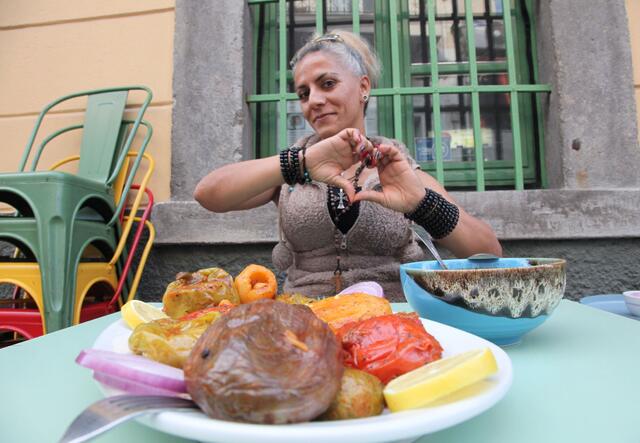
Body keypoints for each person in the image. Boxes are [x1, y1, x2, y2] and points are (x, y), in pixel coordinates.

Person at [194, 30, 502, 301]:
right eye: (303, 93)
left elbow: (488, 251)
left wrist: (422, 204)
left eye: (327, 84)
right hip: (304, 325)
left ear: (363, 87)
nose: (313, 100)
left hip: (388, 325)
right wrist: (298, 163)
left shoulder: (399, 170)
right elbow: (208, 194)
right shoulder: (292, 169)